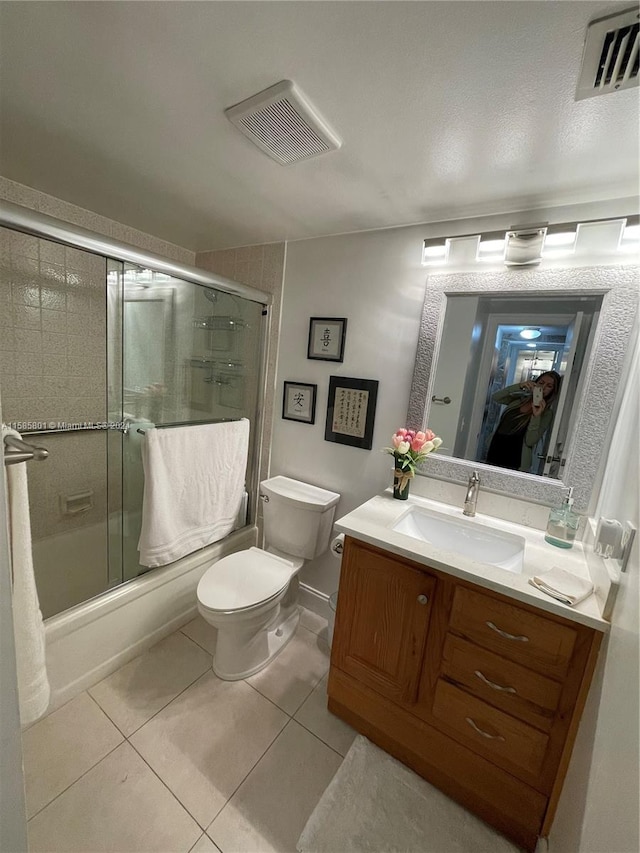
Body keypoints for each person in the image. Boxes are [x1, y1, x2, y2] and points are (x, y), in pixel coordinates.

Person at [485, 371, 562, 473]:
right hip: (495, 449)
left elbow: (530, 441)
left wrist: (536, 416)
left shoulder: (546, 413)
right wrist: (520, 386)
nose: (543, 388)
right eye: (541, 382)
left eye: (549, 386)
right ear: (535, 383)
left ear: (552, 391)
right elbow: (496, 397)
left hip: (516, 460)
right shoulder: (519, 399)